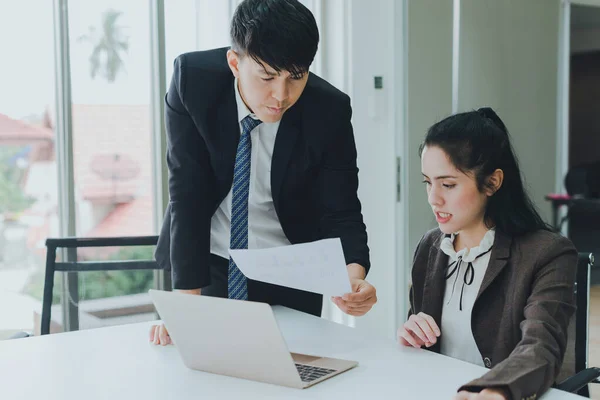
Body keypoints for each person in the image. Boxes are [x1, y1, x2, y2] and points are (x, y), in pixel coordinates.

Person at [150, 0, 377, 345]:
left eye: (296, 77)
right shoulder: (193, 82)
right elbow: (188, 195)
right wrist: (186, 306)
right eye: (268, 77)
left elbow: (341, 207)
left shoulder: (328, 110)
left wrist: (352, 277)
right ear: (234, 63)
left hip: (291, 268)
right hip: (209, 259)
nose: (281, 95)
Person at [398, 108, 577, 400]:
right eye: (428, 182)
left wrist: (498, 389)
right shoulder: (430, 247)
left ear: (492, 183)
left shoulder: (547, 253)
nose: (433, 198)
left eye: (448, 184)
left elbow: (541, 347)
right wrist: (412, 334)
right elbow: (424, 341)